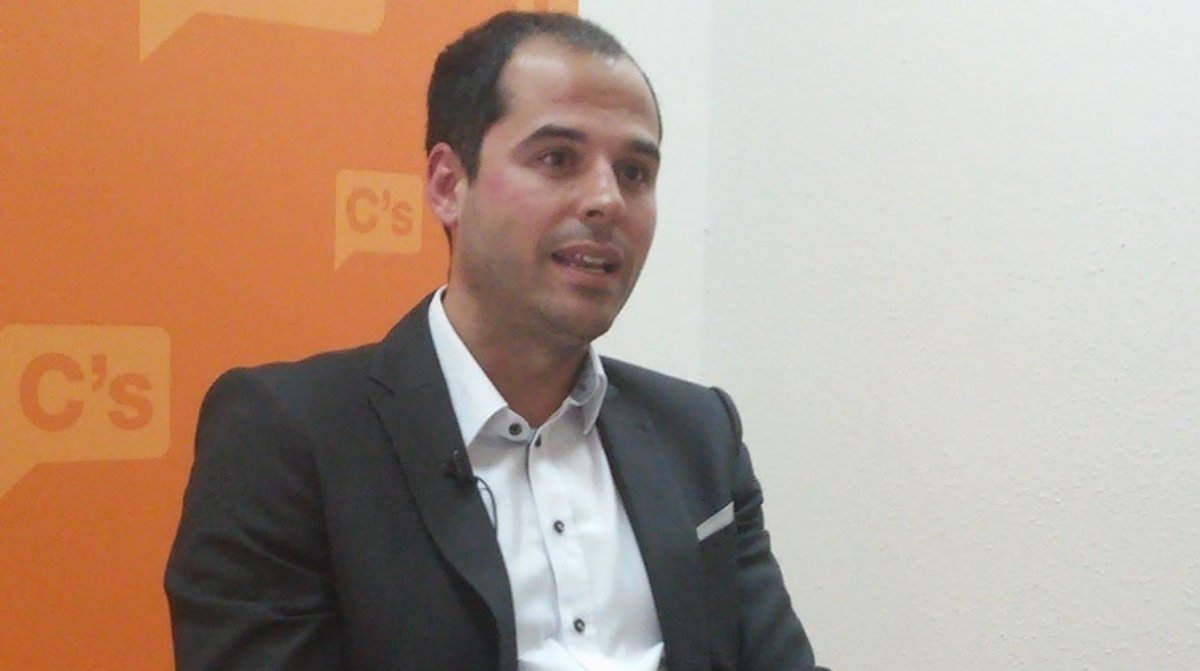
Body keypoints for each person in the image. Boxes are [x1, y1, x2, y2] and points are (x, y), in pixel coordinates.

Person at [166, 11, 828, 671]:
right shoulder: (289, 435)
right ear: (448, 186)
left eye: (634, 172)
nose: (607, 200)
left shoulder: (699, 432)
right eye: (557, 159)